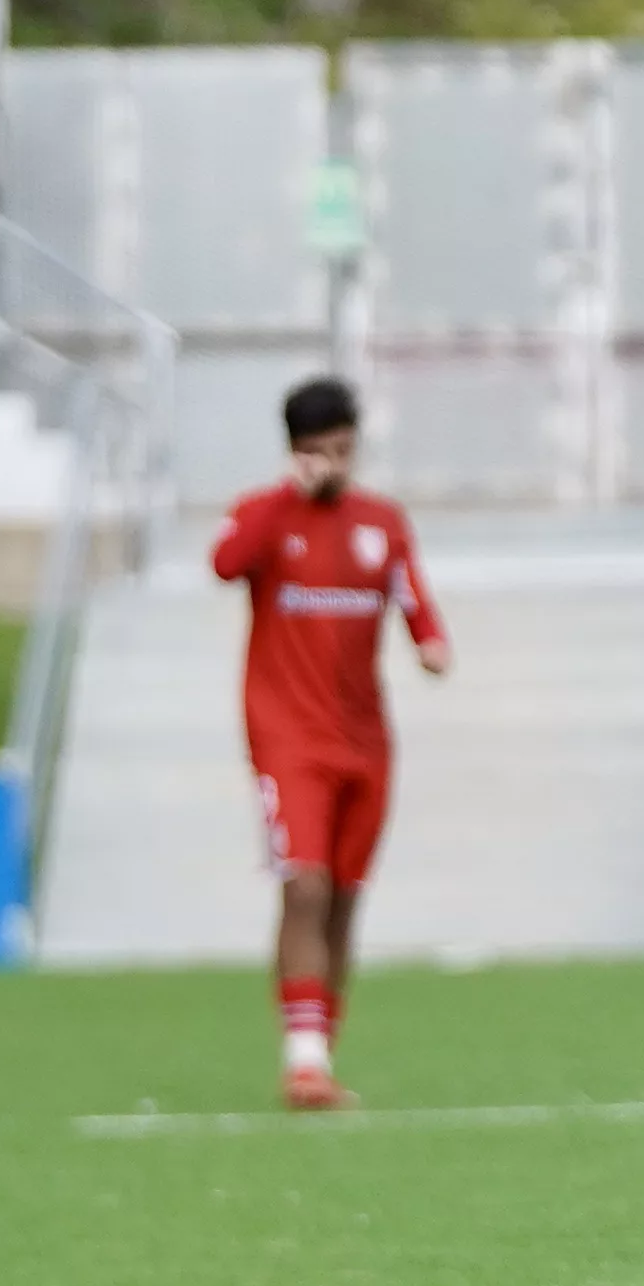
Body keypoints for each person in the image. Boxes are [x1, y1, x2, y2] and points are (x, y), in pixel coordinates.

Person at [209, 377, 451, 1112]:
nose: (334, 465)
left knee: (344, 898)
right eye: (320, 452)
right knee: (303, 883)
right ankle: (302, 1059)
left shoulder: (380, 523)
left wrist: (432, 644)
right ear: (296, 451)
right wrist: (289, 494)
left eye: (344, 450)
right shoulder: (263, 514)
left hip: (365, 739)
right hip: (287, 737)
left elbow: (412, 597)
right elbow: (224, 565)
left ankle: (320, 1055)